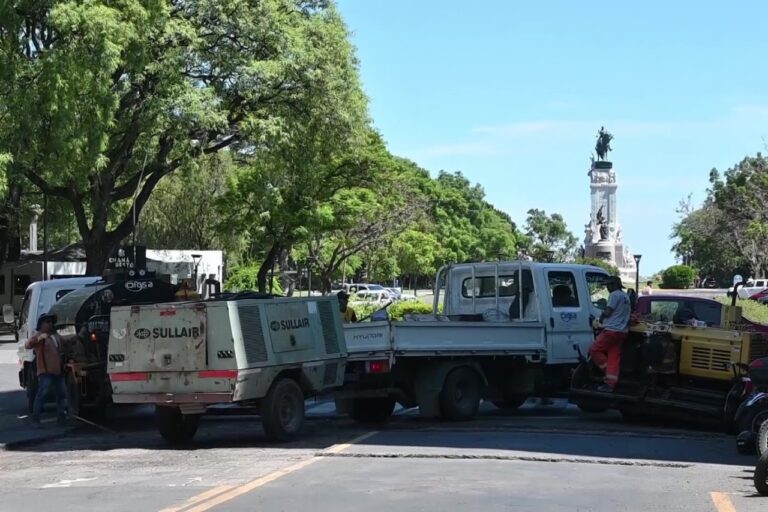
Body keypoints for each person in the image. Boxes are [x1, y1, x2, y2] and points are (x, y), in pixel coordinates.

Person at [24, 314, 80, 426]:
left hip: (57, 371)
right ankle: (36, 418)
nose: (50, 324)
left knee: (61, 394)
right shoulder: (40, 337)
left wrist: (77, 336)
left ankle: (61, 417)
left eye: (51, 322)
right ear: (42, 324)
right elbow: (28, 345)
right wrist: (39, 338)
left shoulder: (55, 336)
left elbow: (65, 340)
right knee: (42, 394)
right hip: (45, 372)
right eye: (48, 322)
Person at [589, 276, 631, 392]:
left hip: (611, 331)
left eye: (608, 285)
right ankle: (610, 383)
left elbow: (608, 312)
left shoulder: (614, 295)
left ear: (613, 285)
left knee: (594, 350)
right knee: (613, 357)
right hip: (622, 332)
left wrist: (601, 317)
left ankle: (608, 372)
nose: (607, 288)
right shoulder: (625, 296)